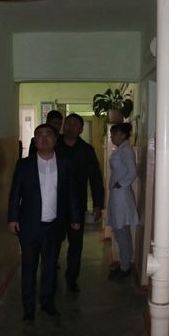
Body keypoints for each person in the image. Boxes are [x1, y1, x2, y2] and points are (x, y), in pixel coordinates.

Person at [8, 124, 80, 321]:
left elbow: (72, 193)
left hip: (54, 226)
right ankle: (28, 308)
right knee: (29, 267)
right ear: (35, 141)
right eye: (39, 135)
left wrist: (75, 219)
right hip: (29, 226)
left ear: (56, 139)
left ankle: (47, 302)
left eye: (48, 135)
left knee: (49, 267)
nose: (44, 138)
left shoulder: (65, 164)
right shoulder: (24, 165)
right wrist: (12, 218)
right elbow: (15, 193)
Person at [56, 113, 104, 292]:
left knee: (75, 244)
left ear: (81, 129)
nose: (70, 127)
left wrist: (98, 204)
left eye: (75, 124)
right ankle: (49, 275)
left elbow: (95, 177)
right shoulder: (54, 145)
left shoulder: (86, 150)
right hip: (54, 204)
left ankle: (71, 278)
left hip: (77, 205)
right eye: (68, 123)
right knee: (52, 242)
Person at [106, 123, 139, 279]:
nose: (112, 137)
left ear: (123, 135)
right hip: (118, 195)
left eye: (115, 134)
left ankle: (125, 267)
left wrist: (120, 184)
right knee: (121, 232)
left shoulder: (126, 150)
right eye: (112, 134)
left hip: (121, 196)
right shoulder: (121, 149)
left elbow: (132, 172)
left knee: (121, 232)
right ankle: (124, 264)